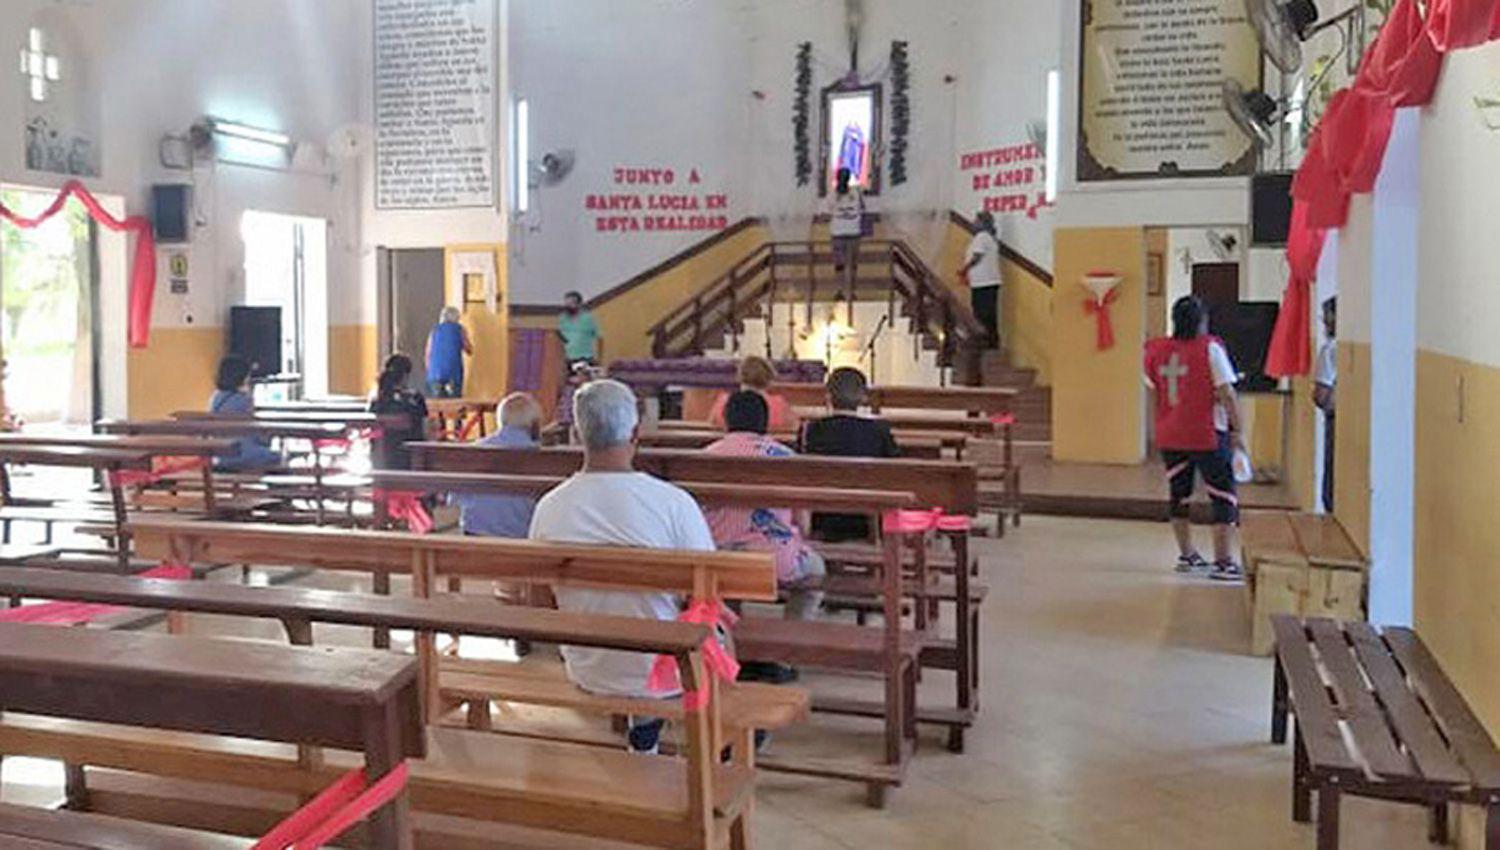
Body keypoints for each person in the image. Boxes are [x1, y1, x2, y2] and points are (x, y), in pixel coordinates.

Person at [528, 378, 716, 754]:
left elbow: (541, 599)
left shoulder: (549, 507)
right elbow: (708, 591)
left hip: (587, 666)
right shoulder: (673, 503)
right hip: (666, 669)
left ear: (577, 433)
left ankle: (643, 730)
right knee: (715, 625)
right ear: (635, 434)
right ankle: (717, 742)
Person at [1144, 295, 1247, 581]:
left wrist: (1158, 428)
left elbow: (1154, 393)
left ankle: (1187, 555)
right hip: (1206, 433)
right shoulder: (1209, 349)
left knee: (1179, 493)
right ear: (1202, 321)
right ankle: (1223, 562)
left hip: (1171, 433)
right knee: (1223, 494)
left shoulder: (1154, 350)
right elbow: (1227, 393)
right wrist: (1238, 432)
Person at [799, 366, 899, 541]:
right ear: (863, 398)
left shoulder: (811, 430)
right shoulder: (879, 431)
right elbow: (894, 470)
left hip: (823, 516)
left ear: (828, 396)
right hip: (865, 517)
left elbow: (802, 470)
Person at [455, 393, 543, 539]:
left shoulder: (475, 449)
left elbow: (458, 496)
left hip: (475, 532)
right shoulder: (538, 455)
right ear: (533, 422)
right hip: (519, 534)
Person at [208, 355, 281, 472]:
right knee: (277, 457)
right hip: (242, 453)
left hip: (221, 455)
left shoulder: (216, 397)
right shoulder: (244, 400)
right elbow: (256, 433)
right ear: (243, 377)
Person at [368, 353, 431, 470]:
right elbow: (426, 429)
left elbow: (370, 429)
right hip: (410, 459)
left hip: (381, 460)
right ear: (406, 376)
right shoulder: (415, 399)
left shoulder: (378, 399)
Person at [707, 355, 793, 431]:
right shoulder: (779, 404)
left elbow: (711, 427)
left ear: (740, 376)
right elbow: (792, 428)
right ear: (768, 379)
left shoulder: (724, 402)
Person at [961, 210, 1003, 350]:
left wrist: (964, 269)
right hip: (987, 281)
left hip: (983, 282)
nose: (973, 223)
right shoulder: (989, 237)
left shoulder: (982, 237)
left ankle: (985, 343)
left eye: (976, 221)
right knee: (989, 314)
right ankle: (991, 343)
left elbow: (977, 257)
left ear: (982, 223)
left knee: (982, 314)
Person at [1314, 297, 1337, 513]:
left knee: (1331, 486)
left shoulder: (1329, 350)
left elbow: (1321, 395)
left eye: (1326, 316)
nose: (1323, 322)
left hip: (1335, 420)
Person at [826, 166, 865, 293]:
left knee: (840, 265)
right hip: (852, 231)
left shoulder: (833, 194)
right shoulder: (856, 193)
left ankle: (841, 289)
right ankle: (850, 290)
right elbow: (862, 208)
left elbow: (828, 211)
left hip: (839, 232)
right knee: (851, 264)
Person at [425, 305, 473, 398]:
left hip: (434, 373)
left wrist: (430, 370)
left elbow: (428, 353)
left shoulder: (434, 330)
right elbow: (469, 349)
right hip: (453, 372)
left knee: (437, 402)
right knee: (454, 402)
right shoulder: (459, 329)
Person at [557, 291, 600, 369]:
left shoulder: (588, 318)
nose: (568, 306)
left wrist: (598, 357)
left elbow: (598, 337)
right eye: (567, 303)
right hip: (568, 358)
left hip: (585, 357)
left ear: (579, 304)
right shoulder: (562, 318)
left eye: (571, 303)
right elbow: (561, 337)